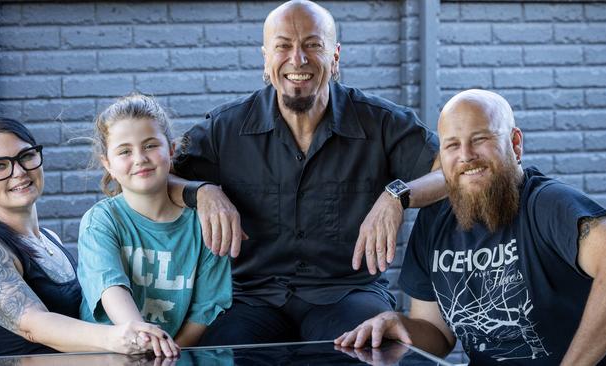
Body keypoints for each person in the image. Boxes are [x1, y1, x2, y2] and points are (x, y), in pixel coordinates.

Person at [170, 0, 446, 345]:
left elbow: (450, 172)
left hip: (348, 293)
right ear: (266, 58)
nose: (297, 59)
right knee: (223, 355)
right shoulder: (225, 129)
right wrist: (200, 192)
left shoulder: (381, 122)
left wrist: (398, 196)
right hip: (249, 298)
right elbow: (153, 179)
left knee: (369, 349)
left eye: (313, 45)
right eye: (283, 46)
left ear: (335, 57)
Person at [335, 89, 606, 365]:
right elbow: (437, 334)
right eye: (452, 145)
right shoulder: (435, 221)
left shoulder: (546, 204)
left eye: (480, 139)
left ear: (515, 144)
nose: (465, 155)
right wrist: (399, 324)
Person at [0, 117, 173, 357]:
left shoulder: (50, 239)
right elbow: (33, 324)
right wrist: (118, 336)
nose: (19, 171)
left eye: (26, 156)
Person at [77, 94, 232, 352]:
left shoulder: (203, 224)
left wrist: (169, 354)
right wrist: (145, 339)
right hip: (110, 355)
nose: (140, 158)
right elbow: (110, 288)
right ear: (108, 164)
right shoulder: (101, 221)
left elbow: (205, 309)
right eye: (125, 151)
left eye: (150, 145)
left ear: (171, 150)